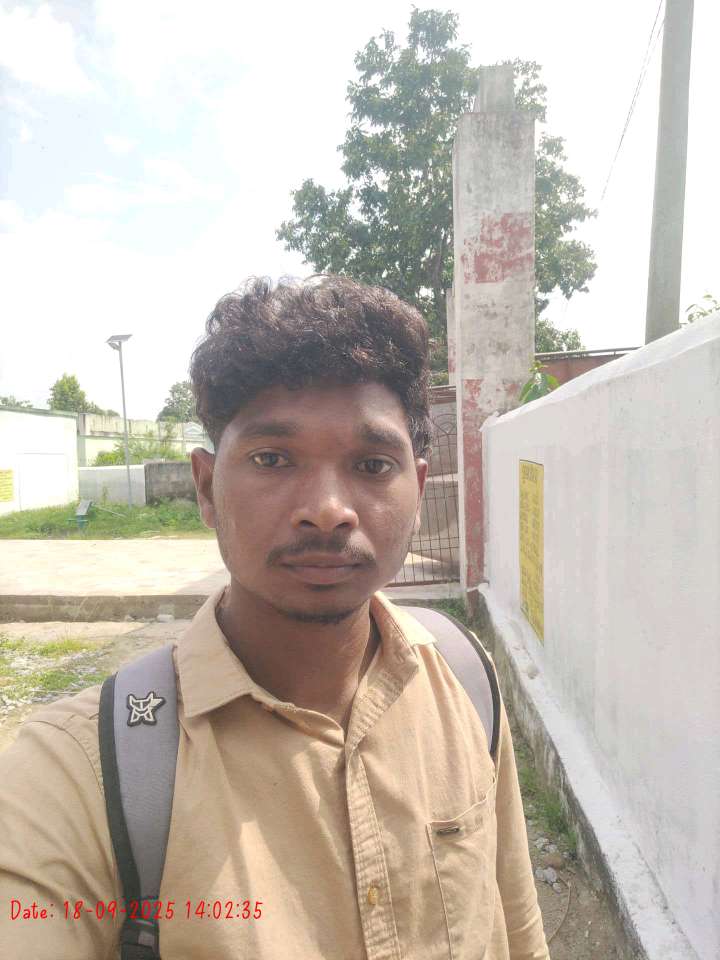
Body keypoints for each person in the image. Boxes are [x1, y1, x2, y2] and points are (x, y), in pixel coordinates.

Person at [0, 276, 549, 959]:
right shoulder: (82, 771)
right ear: (206, 487)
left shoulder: (465, 679)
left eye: (372, 464)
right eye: (272, 459)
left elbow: (517, 929)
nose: (327, 510)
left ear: (416, 486)